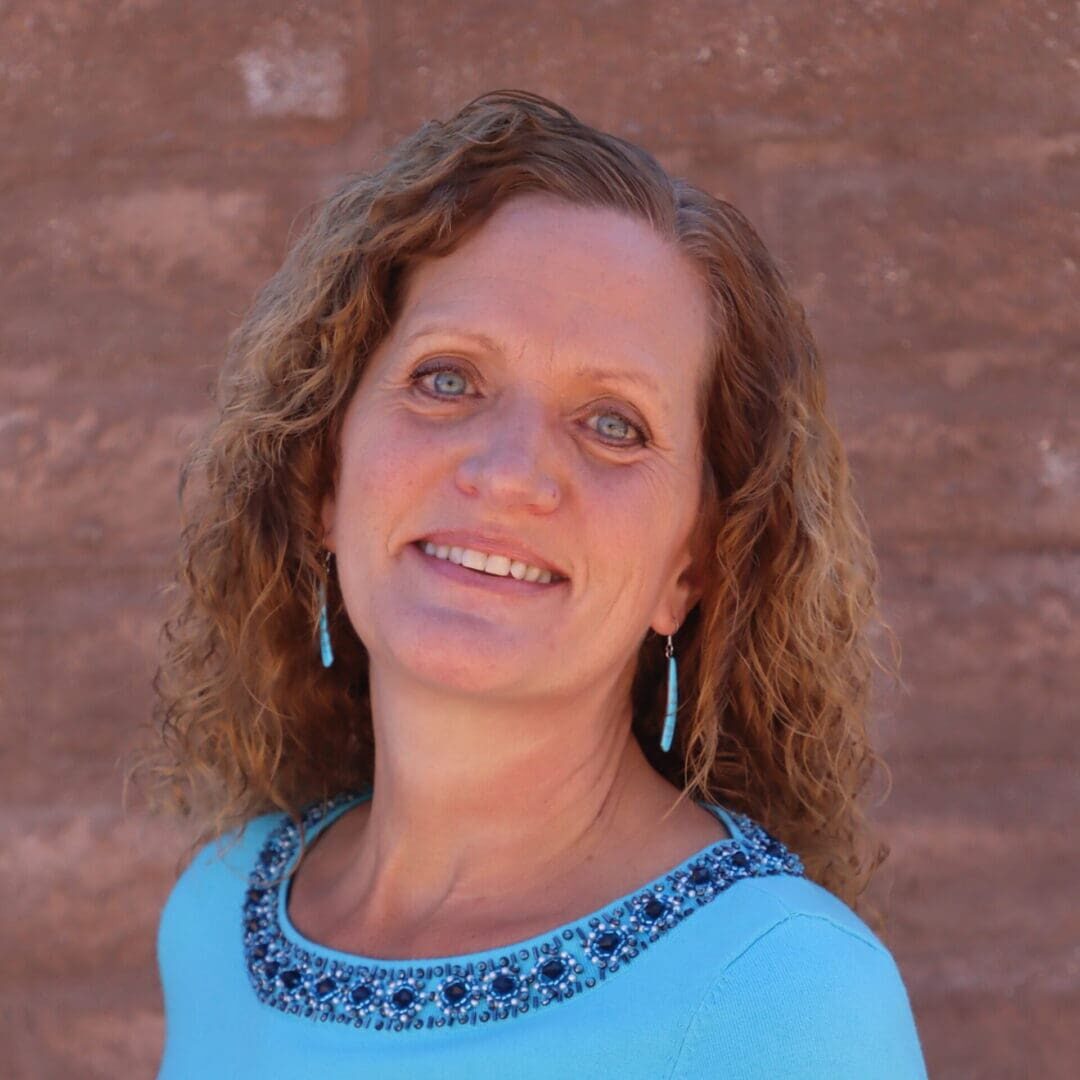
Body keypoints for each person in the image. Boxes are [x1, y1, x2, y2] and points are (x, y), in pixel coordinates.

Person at [142, 90, 929, 1077]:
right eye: (446, 378)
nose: (508, 470)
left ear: (691, 569)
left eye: (612, 424)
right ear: (324, 479)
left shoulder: (781, 992)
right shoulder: (219, 917)